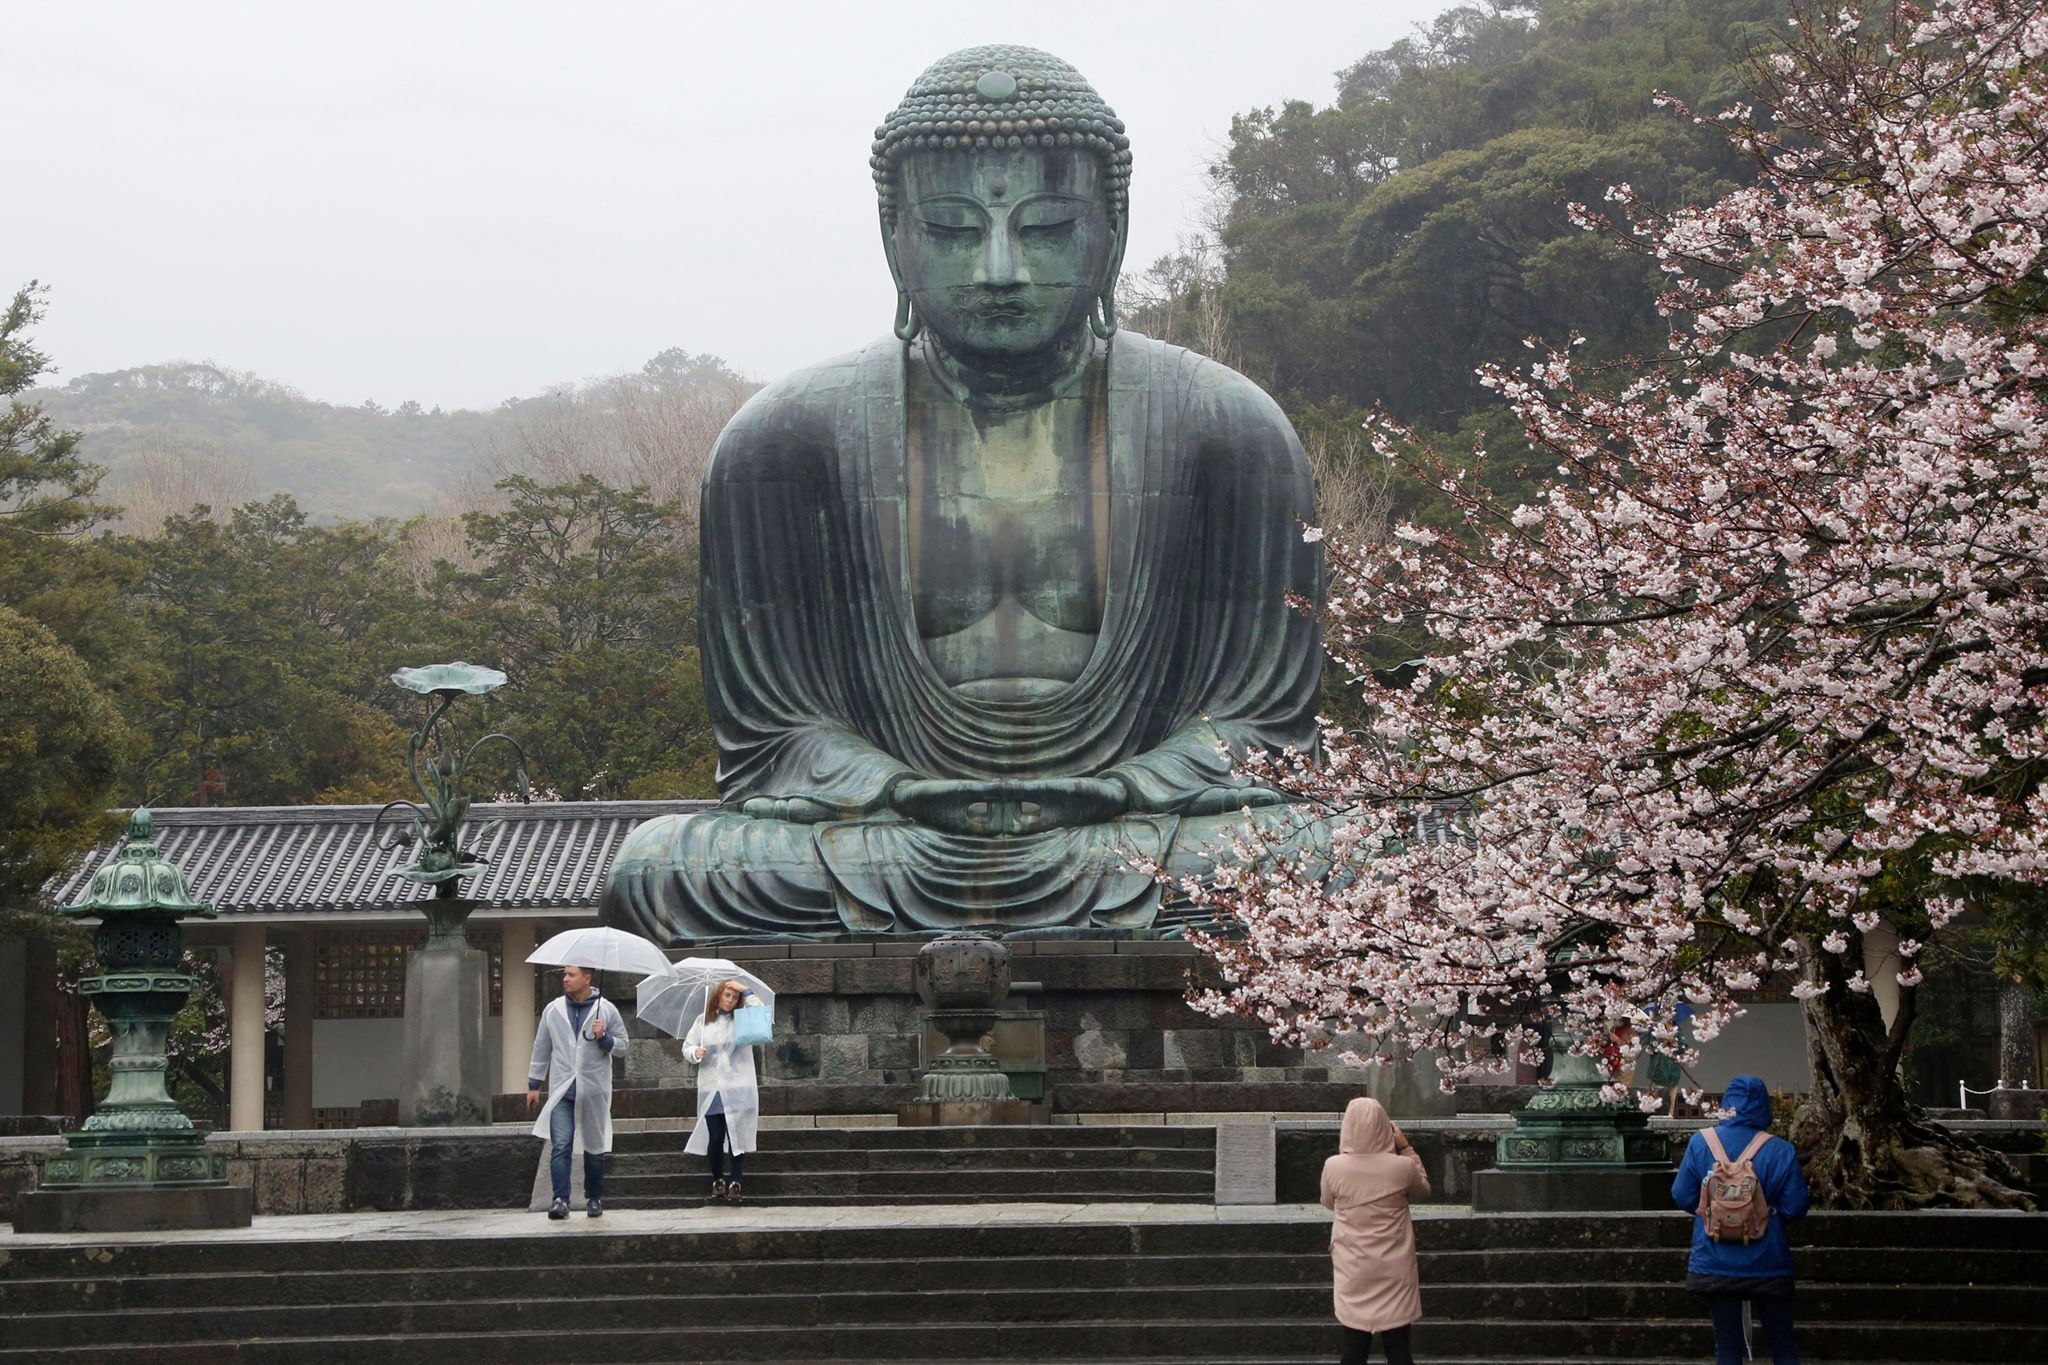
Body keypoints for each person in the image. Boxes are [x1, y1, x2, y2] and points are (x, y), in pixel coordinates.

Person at [1671, 1074, 1812, 1365]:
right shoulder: (1780, 1149)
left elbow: (1682, 1195)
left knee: (1727, 1344)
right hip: (1768, 1259)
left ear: (1727, 1104)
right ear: (1764, 1106)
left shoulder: (1701, 1143)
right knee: (1783, 1342)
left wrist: (1712, 1211)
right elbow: (1796, 1206)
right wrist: (1768, 1215)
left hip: (1715, 1256)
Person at [1321, 1097, 1430, 1365]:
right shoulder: (1401, 1168)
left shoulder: (1333, 1166)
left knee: (1354, 1345)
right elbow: (1423, 1191)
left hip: (1354, 1264)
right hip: (1394, 1265)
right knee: (1398, 1346)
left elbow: (1327, 1201)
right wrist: (1405, 1147)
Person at [527, 963, 629, 1220]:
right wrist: (534, 1084)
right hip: (563, 1089)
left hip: (593, 1089)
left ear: (587, 977)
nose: (565, 979)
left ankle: (593, 1197)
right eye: (564, 974)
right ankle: (560, 1199)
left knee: (594, 1147)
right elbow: (542, 1046)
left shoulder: (605, 1009)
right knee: (560, 1144)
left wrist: (604, 1037)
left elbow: (623, 1046)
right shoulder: (553, 1010)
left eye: (571, 974)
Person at [684, 978, 761, 1203]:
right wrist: (695, 1052)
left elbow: (758, 1013)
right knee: (716, 1136)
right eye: (727, 995)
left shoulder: (742, 1021)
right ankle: (718, 1178)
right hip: (712, 1086)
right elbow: (687, 1046)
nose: (730, 1000)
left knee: (736, 1133)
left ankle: (736, 1180)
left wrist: (745, 990)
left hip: (737, 1085)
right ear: (718, 996)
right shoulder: (703, 1021)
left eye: (734, 997)